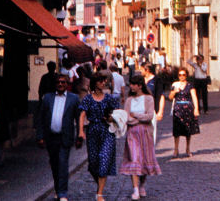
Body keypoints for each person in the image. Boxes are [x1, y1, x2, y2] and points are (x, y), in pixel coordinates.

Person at [35, 74, 82, 201]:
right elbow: (40, 118)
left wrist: (80, 135)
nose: (60, 84)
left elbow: (79, 118)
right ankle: (57, 188)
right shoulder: (48, 98)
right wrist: (40, 136)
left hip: (65, 137)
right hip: (51, 138)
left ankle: (62, 193)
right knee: (54, 164)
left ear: (67, 84)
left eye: (63, 82)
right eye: (58, 82)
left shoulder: (74, 99)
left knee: (62, 163)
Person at [78, 72, 121, 200]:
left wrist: (110, 117)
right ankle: (100, 184)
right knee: (93, 163)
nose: (104, 83)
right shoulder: (88, 98)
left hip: (107, 130)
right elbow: (82, 115)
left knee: (104, 158)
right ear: (95, 83)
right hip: (93, 131)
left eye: (104, 81)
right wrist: (81, 131)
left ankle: (100, 194)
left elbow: (117, 113)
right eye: (101, 81)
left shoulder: (109, 98)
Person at [121, 74, 161, 200]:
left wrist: (136, 116)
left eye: (133, 84)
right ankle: (135, 189)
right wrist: (136, 120)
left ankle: (142, 184)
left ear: (139, 85)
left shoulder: (148, 99)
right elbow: (126, 117)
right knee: (134, 158)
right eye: (130, 84)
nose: (131, 87)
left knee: (143, 159)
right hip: (132, 133)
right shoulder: (129, 100)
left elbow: (149, 116)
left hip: (145, 132)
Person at [168, 67, 200, 157]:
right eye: (180, 75)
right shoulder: (175, 84)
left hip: (188, 108)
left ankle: (188, 148)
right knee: (176, 131)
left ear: (186, 75)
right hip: (178, 108)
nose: (182, 76)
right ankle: (176, 149)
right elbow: (170, 98)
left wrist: (196, 108)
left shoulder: (190, 85)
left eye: (183, 75)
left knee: (188, 130)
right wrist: (174, 92)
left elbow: (194, 97)